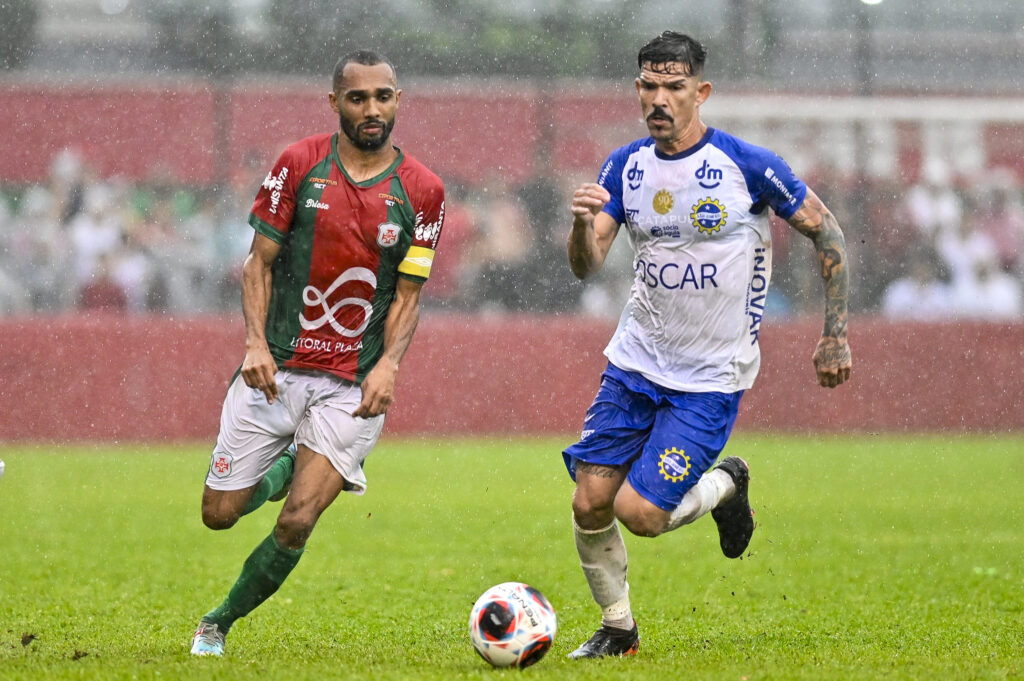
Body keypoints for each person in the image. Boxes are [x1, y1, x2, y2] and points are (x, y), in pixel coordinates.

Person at [563, 31, 852, 658]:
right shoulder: (625, 166)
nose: (659, 98)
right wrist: (582, 225)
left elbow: (825, 230)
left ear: (701, 91)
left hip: (710, 377)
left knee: (641, 515)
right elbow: (588, 265)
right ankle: (618, 630)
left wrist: (834, 334)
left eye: (673, 86)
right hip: (635, 363)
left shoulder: (747, 165)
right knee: (590, 501)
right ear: (637, 89)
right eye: (649, 85)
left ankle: (727, 483)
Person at [189, 50, 445, 656]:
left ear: (398, 100)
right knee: (218, 514)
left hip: (354, 384)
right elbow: (258, 263)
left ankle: (216, 623)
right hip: (275, 369)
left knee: (298, 518)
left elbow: (409, 294)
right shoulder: (299, 164)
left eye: (383, 96)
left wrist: (389, 367)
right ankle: (281, 469)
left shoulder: (424, 190)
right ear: (335, 104)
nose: (372, 109)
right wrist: (255, 342)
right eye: (357, 98)